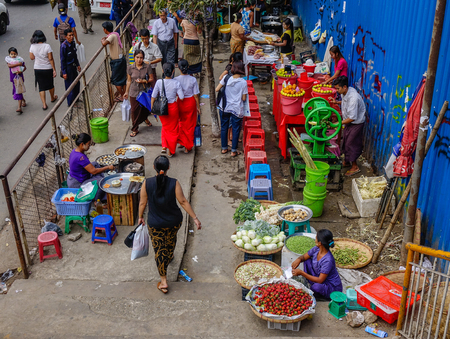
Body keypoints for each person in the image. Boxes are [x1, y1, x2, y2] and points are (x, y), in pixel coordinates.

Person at [138, 155, 201, 294]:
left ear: (154, 167)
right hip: (173, 221)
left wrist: (140, 217)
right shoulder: (174, 183)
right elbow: (183, 201)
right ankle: (170, 254)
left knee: (159, 250)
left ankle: (164, 281)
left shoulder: (147, 183)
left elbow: (142, 203)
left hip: (155, 224)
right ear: (168, 168)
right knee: (171, 238)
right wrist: (195, 218)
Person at [291, 229, 343, 300]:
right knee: (307, 260)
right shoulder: (317, 249)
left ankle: (320, 295)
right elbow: (304, 257)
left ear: (320, 243)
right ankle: (311, 282)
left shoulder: (328, 260)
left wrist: (301, 273)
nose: (315, 240)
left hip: (331, 286)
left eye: (316, 238)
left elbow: (320, 280)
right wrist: (299, 259)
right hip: (318, 276)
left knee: (316, 287)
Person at [330, 76, 365, 176]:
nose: (336, 90)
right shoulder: (346, 92)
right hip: (348, 122)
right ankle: (347, 161)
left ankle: (355, 167)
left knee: (351, 144)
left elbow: (353, 117)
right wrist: (337, 102)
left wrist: (339, 123)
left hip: (355, 123)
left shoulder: (353, 98)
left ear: (344, 87)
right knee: (345, 141)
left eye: (338, 88)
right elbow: (346, 102)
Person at [67, 133, 114, 202]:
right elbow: (93, 171)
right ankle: (97, 200)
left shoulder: (74, 151)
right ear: (82, 144)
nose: (89, 146)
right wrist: (107, 167)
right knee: (100, 181)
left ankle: (99, 181)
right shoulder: (81, 157)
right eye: (88, 144)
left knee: (95, 164)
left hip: (73, 178)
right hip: (77, 183)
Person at [151, 63, 184, 157]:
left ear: (163, 71)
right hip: (173, 108)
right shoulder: (176, 83)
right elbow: (181, 97)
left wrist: (152, 109)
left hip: (162, 108)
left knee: (165, 127)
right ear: (173, 71)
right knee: (173, 130)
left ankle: (164, 146)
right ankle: (171, 150)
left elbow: (153, 97)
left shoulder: (159, 82)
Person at [215, 60, 248, 157]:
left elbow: (217, 89)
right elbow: (244, 98)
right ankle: (233, 150)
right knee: (236, 128)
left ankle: (224, 148)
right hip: (236, 108)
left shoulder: (226, 78)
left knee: (224, 127)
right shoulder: (243, 82)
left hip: (225, 106)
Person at [123, 49, 155, 137]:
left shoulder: (147, 67)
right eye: (137, 57)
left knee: (145, 108)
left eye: (141, 58)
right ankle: (135, 129)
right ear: (134, 57)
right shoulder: (130, 68)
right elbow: (129, 81)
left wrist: (144, 81)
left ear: (143, 58)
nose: (139, 60)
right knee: (134, 111)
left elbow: (151, 79)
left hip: (144, 92)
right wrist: (126, 92)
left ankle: (145, 119)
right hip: (134, 92)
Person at [175, 59, 200, 153]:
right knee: (190, 125)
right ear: (188, 67)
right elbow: (196, 95)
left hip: (180, 103)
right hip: (190, 103)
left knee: (181, 123)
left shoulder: (176, 80)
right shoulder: (193, 79)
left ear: (179, 68)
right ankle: (187, 147)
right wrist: (198, 107)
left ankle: (182, 142)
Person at [29, 30, 58, 110]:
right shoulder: (47, 46)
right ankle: (52, 97)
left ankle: (44, 104)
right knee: (50, 84)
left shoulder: (32, 46)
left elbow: (32, 58)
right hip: (47, 68)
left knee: (41, 87)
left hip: (37, 68)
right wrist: (54, 69)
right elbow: (50, 58)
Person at [101, 21, 127, 102]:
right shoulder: (115, 34)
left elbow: (104, 43)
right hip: (121, 59)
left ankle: (123, 96)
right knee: (122, 78)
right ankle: (124, 94)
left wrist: (102, 40)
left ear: (105, 29)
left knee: (116, 80)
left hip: (117, 61)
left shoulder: (111, 36)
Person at [60, 29, 81, 107]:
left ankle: (76, 98)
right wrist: (64, 72)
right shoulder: (63, 46)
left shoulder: (72, 44)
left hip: (73, 66)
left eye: (72, 35)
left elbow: (75, 56)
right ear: (66, 37)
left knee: (76, 83)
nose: (72, 37)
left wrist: (78, 65)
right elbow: (62, 60)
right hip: (68, 68)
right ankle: (71, 102)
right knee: (70, 86)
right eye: (70, 35)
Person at [5, 47, 27, 114]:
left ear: (17, 54)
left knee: (18, 91)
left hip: (19, 77)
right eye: (11, 54)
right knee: (18, 90)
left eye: (14, 54)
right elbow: (9, 66)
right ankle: (23, 101)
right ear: (9, 54)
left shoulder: (20, 59)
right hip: (13, 78)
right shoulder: (9, 60)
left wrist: (21, 71)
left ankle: (19, 107)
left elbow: (24, 67)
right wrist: (18, 64)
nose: (13, 55)